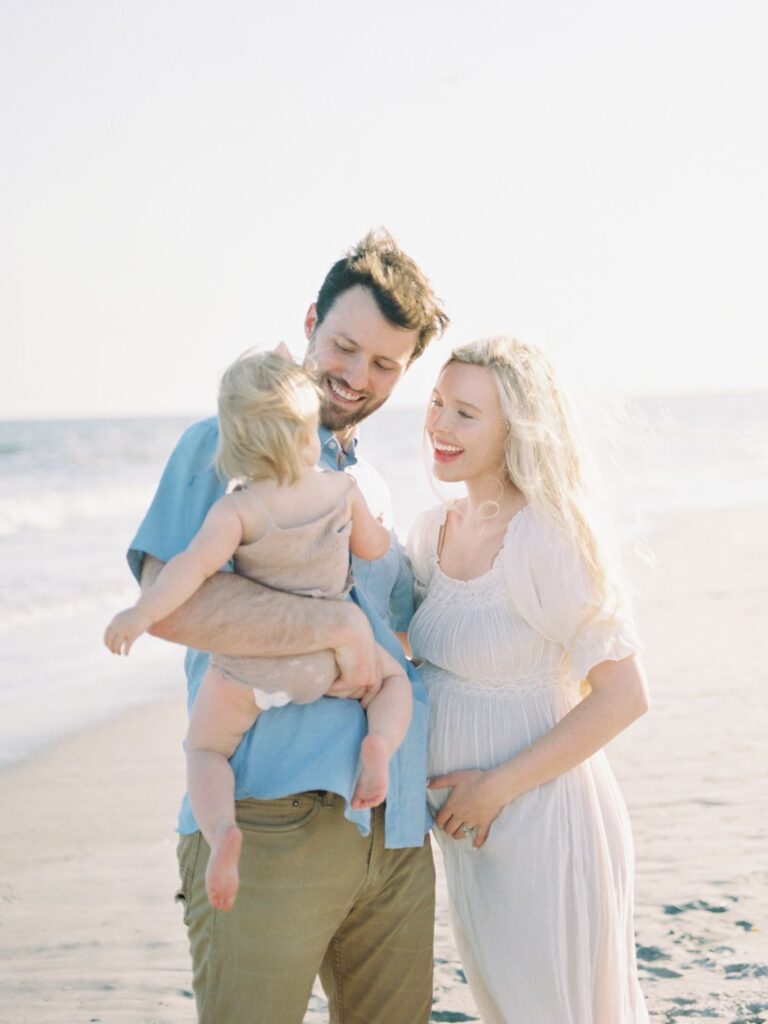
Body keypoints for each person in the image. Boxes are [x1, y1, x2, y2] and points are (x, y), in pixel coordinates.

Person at [126, 230, 448, 1024]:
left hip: (395, 827)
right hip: (267, 818)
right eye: (344, 346)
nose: (356, 376)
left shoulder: (365, 477)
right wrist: (329, 626)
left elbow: (407, 625)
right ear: (311, 321)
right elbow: (168, 600)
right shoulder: (227, 443)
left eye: (384, 364)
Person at [105, 345, 412, 913]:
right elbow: (375, 548)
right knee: (395, 686)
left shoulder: (235, 512)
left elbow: (187, 574)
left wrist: (140, 615)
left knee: (205, 749)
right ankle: (377, 745)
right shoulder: (343, 491)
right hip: (334, 663)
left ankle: (222, 831)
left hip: (251, 671)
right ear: (306, 433)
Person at [406, 336, 650, 1023]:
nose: (439, 425)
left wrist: (494, 789)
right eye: (436, 403)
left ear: (517, 429)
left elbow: (625, 695)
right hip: (473, 836)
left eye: (465, 413)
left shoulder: (547, 537)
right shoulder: (431, 535)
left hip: (546, 823)